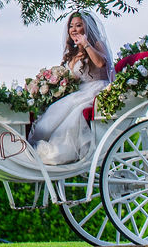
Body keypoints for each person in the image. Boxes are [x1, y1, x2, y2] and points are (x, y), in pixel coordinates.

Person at [28, 10, 112, 165]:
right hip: (80, 91)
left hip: (96, 89)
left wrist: (86, 44)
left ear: (87, 28)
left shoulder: (96, 44)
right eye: (71, 26)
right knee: (52, 113)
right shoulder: (73, 52)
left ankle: (57, 152)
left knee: (72, 118)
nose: (74, 29)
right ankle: (34, 145)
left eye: (78, 25)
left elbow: (101, 63)